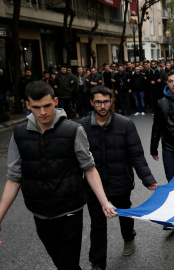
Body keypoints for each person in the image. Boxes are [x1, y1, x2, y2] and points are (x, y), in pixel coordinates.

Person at [0, 81, 116, 269]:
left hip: (69, 210)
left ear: (55, 101)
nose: (43, 112)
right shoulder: (19, 133)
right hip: (39, 211)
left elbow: (89, 168)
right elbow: (14, 177)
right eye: (36, 107)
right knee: (61, 262)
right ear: (28, 106)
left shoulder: (73, 130)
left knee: (67, 264)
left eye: (47, 105)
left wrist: (104, 202)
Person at [78, 86, 157, 270]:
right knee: (97, 224)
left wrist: (148, 179)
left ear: (111, 101)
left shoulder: (125, 124)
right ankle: (97, 263)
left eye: (106, 101)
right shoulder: (81, 126)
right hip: (94, 186)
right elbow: (77, 158)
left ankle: (129, 238)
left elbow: (136, 154)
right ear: (92, 103)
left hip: (121, 180)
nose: (102, 106)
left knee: (124, 213)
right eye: (98, 102)